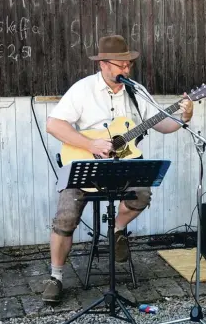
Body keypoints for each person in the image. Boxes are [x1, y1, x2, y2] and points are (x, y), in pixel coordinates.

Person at [42, 35, 194, 303]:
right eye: (120, 65)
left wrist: (183, 118)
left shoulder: (136, 92)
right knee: (66, 217)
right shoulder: (82, 89)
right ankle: (55, 277)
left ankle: (116, 229)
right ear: (103, 64)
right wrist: (90, 143)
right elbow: (54, 125)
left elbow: (162, 125)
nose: (125, 69)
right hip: (86, 163)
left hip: (123, 165)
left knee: (142, 194)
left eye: (128, 65)